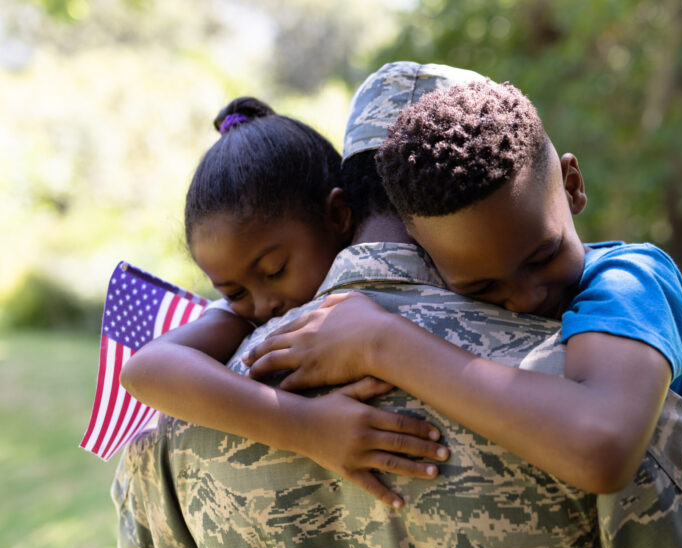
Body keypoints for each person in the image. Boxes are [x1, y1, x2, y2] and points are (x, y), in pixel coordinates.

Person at [114, 62, 682, 548]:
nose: (527, 293)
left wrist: (379, 346)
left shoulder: (183, 429)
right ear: (427, 224)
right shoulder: (570, 397)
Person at [241, 79, 682, 495]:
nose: (527, 297)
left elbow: (603, 451)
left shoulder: (633, 279)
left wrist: (379, 342)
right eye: (481, 286)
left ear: (571, 185)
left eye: (543, 256)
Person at [119, 96, 449, 508]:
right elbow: (143, 369)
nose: (263, 305)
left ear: (338, 215)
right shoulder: (243, 321)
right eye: (234, 291)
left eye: (274, 270)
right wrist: (305, 426)